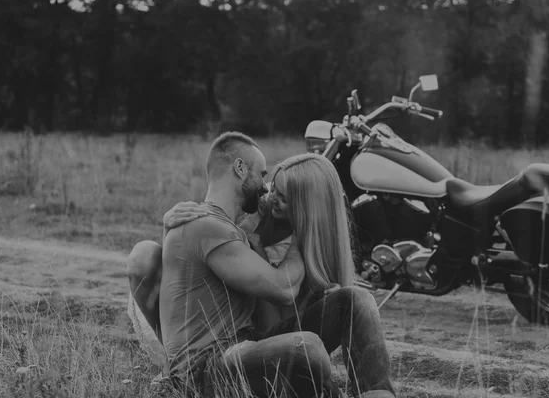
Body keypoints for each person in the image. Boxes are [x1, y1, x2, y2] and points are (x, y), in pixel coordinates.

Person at [127, 132, 396, 398]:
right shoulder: (206, 224)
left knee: (355, 301)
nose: (266, 189)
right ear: (240, 168)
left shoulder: (238, 227)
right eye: (263, 175)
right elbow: (282, 289)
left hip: (245, 350)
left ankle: (378, 393)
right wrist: (302, 237)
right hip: (207, 370)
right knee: (307, 348)